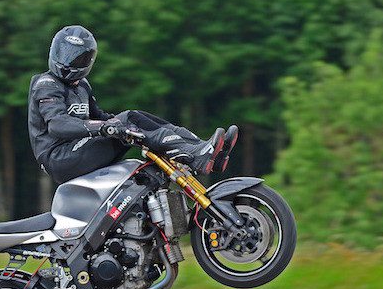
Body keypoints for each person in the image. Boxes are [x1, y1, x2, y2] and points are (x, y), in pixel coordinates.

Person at [28, 25, 236, 184]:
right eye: (65, 55)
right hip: (59, 158)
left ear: (89, 61)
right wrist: (105, 127)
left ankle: (203, 149)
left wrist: (113, 123)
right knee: (128, 121)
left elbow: (99, 116)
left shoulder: (82, 85)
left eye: (77, 58)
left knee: (134, 117)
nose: (68, 63)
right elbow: (57, 124)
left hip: (77, 149)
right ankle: (195, 156)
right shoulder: (46, 84)